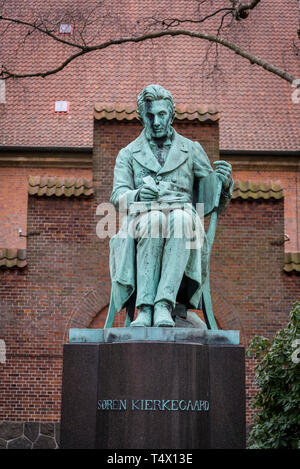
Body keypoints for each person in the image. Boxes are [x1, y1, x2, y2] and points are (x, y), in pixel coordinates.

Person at [109, 84, 232, 327]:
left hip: (182, 215)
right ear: (142, 117)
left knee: (183, 221)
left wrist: (224, 184)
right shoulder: (128, 153)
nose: (156, 121)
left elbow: (209, 200)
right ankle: (144, 309)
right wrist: (137, 195)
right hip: (144, 217)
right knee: (154, 222)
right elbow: (117, 195)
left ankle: (164, 304)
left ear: (171, 114)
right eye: (150, 115)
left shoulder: (191, 149)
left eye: (162, 114)